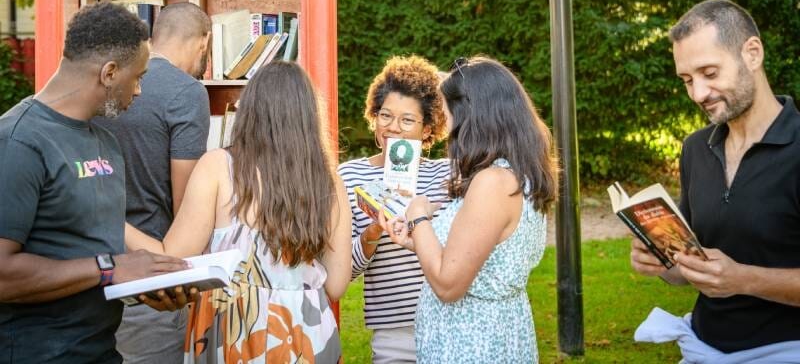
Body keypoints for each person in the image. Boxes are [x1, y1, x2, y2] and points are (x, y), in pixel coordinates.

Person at [124, 60, 352, 363]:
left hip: (236, 333)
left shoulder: (219, 166)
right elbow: (336, 286)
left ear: (250, 111)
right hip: (308, 336)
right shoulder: (329, 180)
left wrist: (110, 219)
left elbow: (171, 258)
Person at [0, 1, 190, 363]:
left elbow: (90, 250)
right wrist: (110, 268)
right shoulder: (17, 142)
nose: (137, 92)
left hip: (101, 350)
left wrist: (146, 284)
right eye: (138, 77)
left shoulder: (105, 142)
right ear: (109, 73)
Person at [630, 0, 800, 356]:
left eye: (709, 73)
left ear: (752, 54)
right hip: (702, 346)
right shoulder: (695, 149)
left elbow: (731, 278)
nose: (698, 94)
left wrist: (744, 279)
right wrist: (661, 263)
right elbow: (689, 269)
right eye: (687, 80)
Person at [382, 56, 558, 363]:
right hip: (497, 332)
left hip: (471, 343)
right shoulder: (517, 174)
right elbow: (477, 255)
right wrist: (417, 240)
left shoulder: (493, 183)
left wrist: (419, 215)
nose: (449, 133)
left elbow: (449, 285)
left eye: (450, 119)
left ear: (471, 118)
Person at [94, 2, 212, 364]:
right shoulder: (188, 92)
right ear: (203, 44)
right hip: (151, 280)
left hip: (93, 269)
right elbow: (187, 206)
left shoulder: (109, 81)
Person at [338, 55, 449, 363]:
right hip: (393, 330)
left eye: (407, 120)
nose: (393, 128)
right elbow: (342, 271)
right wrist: (372, 231)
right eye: (385, 116)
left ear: (428, 129)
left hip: (448, 321)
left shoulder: (446, 175)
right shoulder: (349, 177)